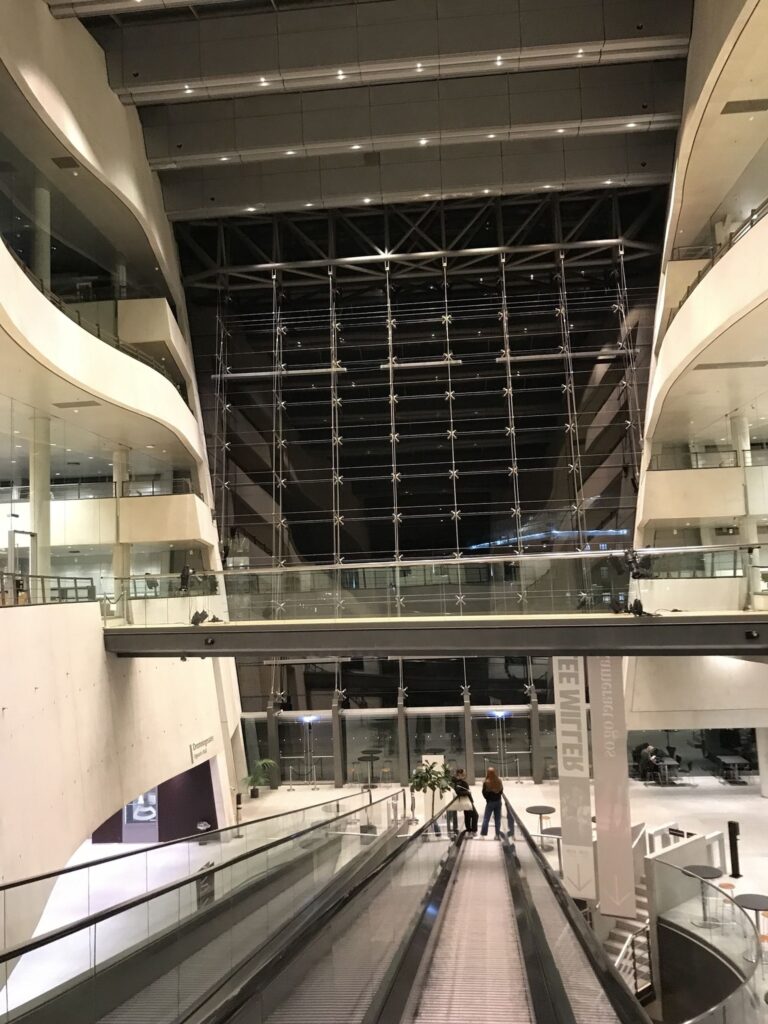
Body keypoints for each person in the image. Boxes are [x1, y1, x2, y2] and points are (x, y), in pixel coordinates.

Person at [446, 768, 477, 837]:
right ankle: (473, 831)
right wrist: (467, 792)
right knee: (475, 815)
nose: (464, 775)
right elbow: (458, 792)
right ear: (459, 774)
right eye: (463, 773)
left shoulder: (458, 781)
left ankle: (469, 830)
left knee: (468, 815)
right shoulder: (459, 782)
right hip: (466, 800)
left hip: (466, 800)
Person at [480, 767, 504, 839]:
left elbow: (484, 793)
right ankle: (497, 835)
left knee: (486, 818)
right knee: (497, 819)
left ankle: (483, 835)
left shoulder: (486, 782)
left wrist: (488, 798)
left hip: (490, 802)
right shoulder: (499, 781)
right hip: (498, 802)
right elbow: (501, 791)